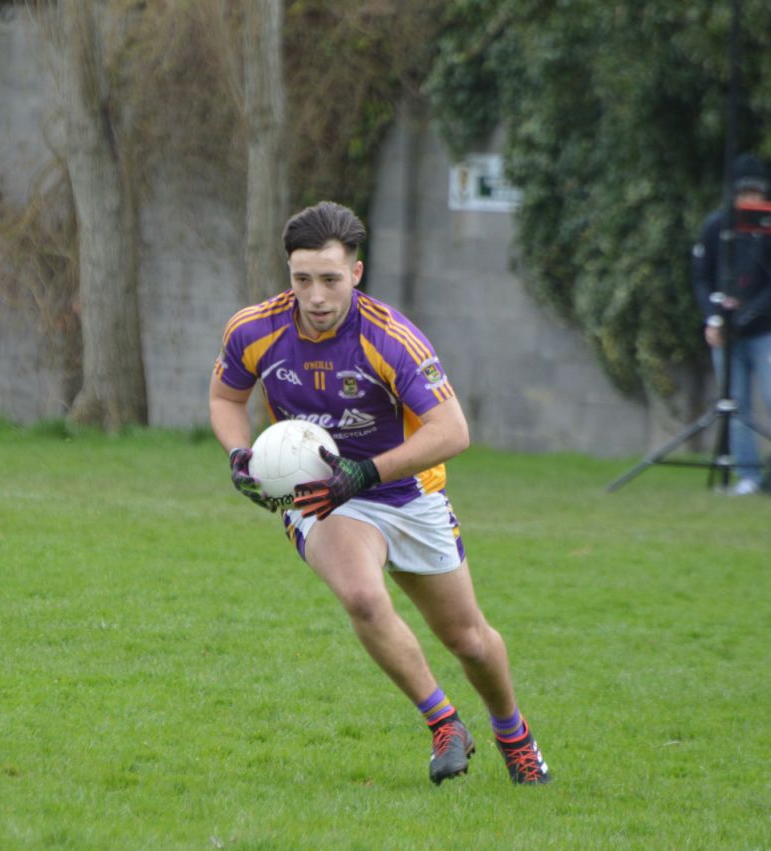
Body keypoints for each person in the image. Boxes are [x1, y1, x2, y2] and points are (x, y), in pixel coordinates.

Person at [209, 201, 551, 786]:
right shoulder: (254, 329)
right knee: (363, 598)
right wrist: (241, 454)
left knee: (468, 640)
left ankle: (513, 734)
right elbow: (225, 398)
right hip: (323, 499)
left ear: (357, 274)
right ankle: (444, 724)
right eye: (302, 280)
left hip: (405, 493)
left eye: (330, 280)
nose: (316, 296)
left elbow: (453, 432)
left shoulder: (390, 338)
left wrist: (366, 473)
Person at [692, 153, 771, 496]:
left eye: (755, 193)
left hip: (767, 332)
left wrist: (744, 317)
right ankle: (749, 476)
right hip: (726, 335)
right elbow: (702, 277)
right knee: (735, 405)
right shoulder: (717, 227)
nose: (749, 200)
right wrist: (715, 318)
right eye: (743, 193)